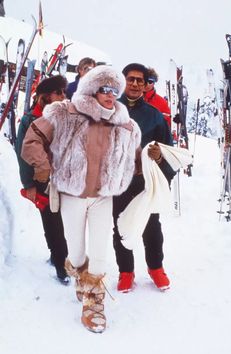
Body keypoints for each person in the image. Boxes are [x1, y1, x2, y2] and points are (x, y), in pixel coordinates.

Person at [21, 65, 141, 333]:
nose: (111, 95)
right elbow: (33, 139)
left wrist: (152, 160)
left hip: (102, 197)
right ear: (92, 89)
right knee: (75, 253)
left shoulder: (126, 124)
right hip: (72, 193)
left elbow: (135, 159)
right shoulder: (65, 113)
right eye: (105, 89)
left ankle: (93, 300)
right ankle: (79, 274)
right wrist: (42, 166)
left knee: (100, 253)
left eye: (114, 90)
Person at [113, 63, 175, 293]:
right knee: (120, 226)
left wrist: (160, 158)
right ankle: (126, 272)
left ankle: (155, 268)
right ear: (123, 80)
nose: (136, 84)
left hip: (145, 181)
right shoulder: (111, 109)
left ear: (146, 84)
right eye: (131, 79)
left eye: (141, 80)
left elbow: (168, 148)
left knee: (151, 226)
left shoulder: (154, 115)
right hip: (118, 181)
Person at [15, 75, 69, 285]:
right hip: (42, 179)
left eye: (64, 92)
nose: (63, 96)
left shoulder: (64, 116)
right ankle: (60, 264)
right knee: (52, 221)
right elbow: (23, 153)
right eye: (58, 92)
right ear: (46, 96)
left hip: (63, 178)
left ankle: (58, 254)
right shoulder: (30, 119)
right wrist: (28, 184)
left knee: (63, 220)